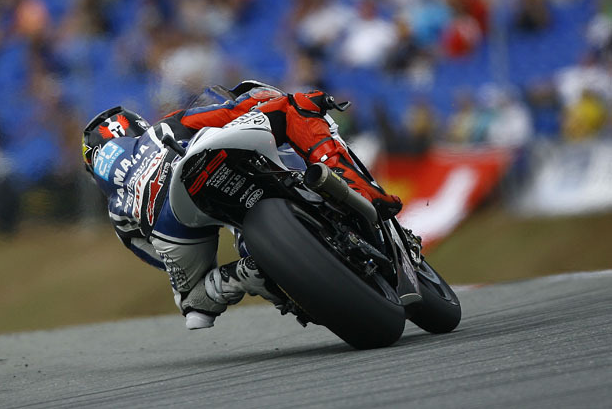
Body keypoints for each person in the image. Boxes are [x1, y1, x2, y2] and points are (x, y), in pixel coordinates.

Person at [82, 81, 402, 329]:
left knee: (195, 304)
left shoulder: (115, 207)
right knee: (297, 105)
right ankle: (361, 190)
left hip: (169, 221)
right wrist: (291, 100)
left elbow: (155, 257)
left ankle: (250, 273)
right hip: (200, 158)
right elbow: (231, 111)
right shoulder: (160, 130)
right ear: (137, 125)